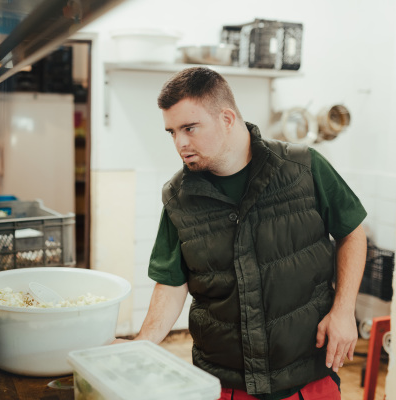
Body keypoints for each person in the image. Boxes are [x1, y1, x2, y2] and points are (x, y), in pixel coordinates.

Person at [114, 67, 367, 400]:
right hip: (226, 385)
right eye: (172, 132)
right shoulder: (178, 198)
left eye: (189, 128)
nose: (180, 143)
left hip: (309, 379)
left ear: (227, 118)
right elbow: (172, 282)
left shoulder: (303, 167)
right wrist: (142, 343)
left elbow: (352, 231)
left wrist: (344, 309)